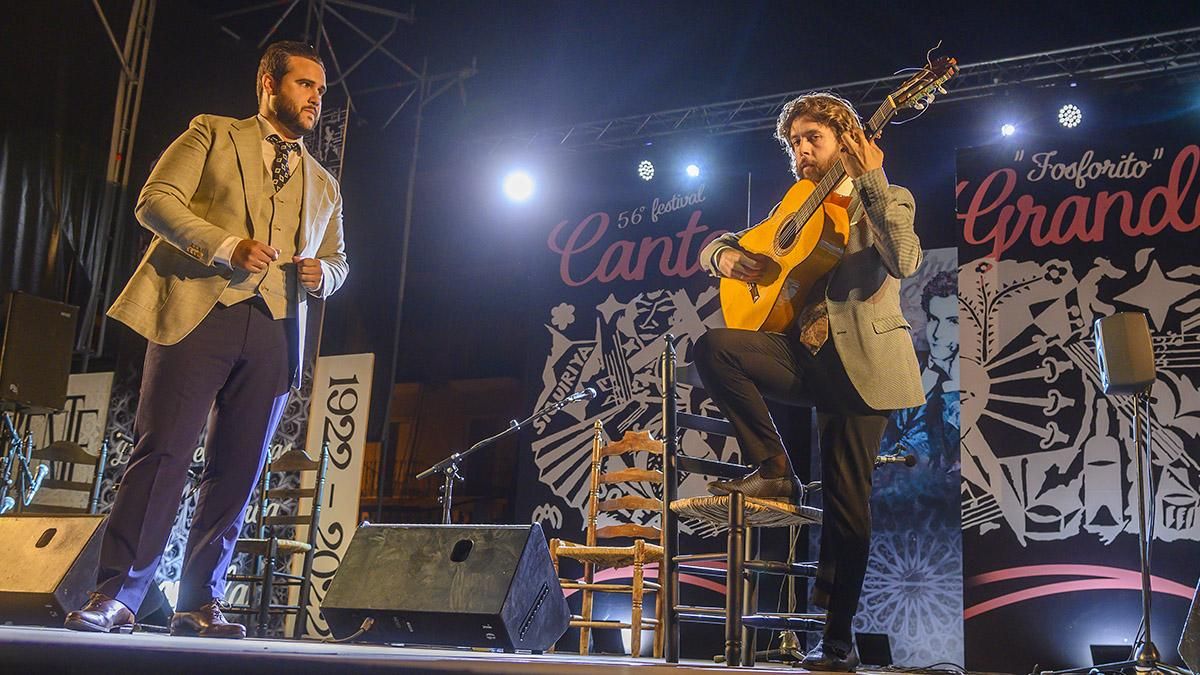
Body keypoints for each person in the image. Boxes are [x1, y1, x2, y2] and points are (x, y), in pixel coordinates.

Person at [65, 40, 348, 639]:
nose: (316, 98)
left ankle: (200, 602)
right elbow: (154, 202)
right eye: (305, 84)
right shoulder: (212, 134)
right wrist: (226, 245)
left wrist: (326, 275)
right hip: (200, 310)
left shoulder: (324, 184)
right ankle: (118, 594)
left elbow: (339, 258)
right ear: (268, 85)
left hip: (276, 325)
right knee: (163, 451)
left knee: (238, 469)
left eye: (321, 90)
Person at [693, 92, 923, 671]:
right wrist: (723, 257)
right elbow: (730, 242)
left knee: (848, 506)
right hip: (803, 353)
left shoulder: (885, 197)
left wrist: (870, 180)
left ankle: (839, 637)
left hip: (860, 365)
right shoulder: (797, 200)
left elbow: (905, 259)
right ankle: (775, 471)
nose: (800, 151)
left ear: (845, 139)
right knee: (715, 347)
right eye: (793, 143)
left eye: (811, 139)